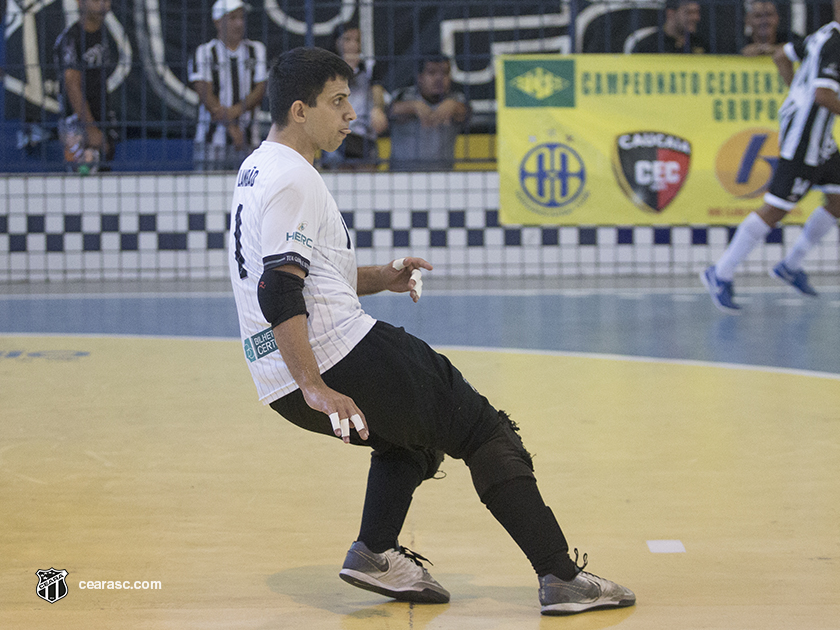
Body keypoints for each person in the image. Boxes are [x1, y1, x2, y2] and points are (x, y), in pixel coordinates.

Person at [228, 46, 635, 616]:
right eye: (338, 102)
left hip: (275, 376)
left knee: (414, 441)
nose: (351, 114)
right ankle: (561, 576)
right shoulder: (295, 178)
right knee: (486, 433)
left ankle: (374, 554)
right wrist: (316, 384)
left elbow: (311, 272)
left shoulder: (257, 168)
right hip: (330, 358)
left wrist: (382, 276)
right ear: (300, 110)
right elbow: (278, 288)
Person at [701, 0, 840, 313]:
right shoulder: (835, 44)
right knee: (775, 209)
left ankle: (789, 266)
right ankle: (720, 273)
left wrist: (795, 93)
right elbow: (823, 96)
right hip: (804, 140)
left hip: (821, 139)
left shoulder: (824, 35)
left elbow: (781, 56)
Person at [188, 0, 267, 171]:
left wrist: (232, 113)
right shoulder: (204, 52)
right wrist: (231, 127)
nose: (239, 23)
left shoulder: (256, 50)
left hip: (249, 139)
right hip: (211, 140)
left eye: (241, 18)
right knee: (207, 191)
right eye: (232, 18)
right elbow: (205, 95)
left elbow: (260, 90)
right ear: (217, 22)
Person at [54, 0, 119, 173]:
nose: (102, 5)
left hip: (102, 113)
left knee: (103, 175)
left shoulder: (104, 34)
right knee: (84, 177)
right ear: (80, 3)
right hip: (78, 120)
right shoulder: (71, 38)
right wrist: (89, 127)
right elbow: (72, 84)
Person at [320, 21, 388, 170]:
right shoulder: (327, 70)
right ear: (336, 42)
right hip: (336, 134)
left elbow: (378, 92)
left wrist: (378, 109)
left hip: (363, 135)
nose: (353, 45)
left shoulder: (368, 67)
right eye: (347, 39)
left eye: (357, 40)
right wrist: (346, 73)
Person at [387, 54, 469, 170]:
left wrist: (453, 106)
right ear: (419, 77)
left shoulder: (456, 98)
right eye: (432, 73)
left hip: (442, 177)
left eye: (445, 73)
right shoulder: (404, 95)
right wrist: (413, 106)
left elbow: (465, 112)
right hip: (402, 176)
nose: (439, 78)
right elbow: (388, 112)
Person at [631, 0, 706, 54]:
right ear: (670, 13)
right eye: (689, 13)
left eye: (697, 12)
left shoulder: (701, 44)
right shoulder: (648, 46)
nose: (696, 18)